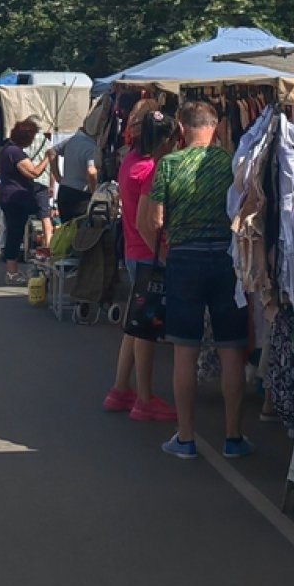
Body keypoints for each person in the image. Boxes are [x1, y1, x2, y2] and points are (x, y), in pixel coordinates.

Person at [139, 100, 250, 461]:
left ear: (183, 129)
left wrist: (173, 247)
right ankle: (234, 436)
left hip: (185, 259)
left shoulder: (169, 165)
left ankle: (185, 437)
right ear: (216, 127)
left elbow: (154, 221)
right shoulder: (233, 163)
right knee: (232, 349)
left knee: (185, 351)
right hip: (226, 261)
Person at [106, 105, 180, 423]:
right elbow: (148, 220)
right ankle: (145, 398)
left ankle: (122, 388)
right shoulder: (151, 170)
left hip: (135, 251)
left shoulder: (130, 161)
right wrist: (162, 256)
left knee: (135, 327)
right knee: (147, 330)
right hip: (147, 253)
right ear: (164, 141)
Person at [0, 120, 53, 285]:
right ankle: (11, 272)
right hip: (15, 199)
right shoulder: (15, 152)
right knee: (15, 234)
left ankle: (12, 269)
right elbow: (33, 172)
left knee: (15, 233)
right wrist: (47, 159)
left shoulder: (9, 149)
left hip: (12, 197)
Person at [53, 125, 100, 223]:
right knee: (81, 233)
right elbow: (92, 171)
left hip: (64, 190)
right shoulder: (92, 147)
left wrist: (58, 176)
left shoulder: (73, 140)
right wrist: (94, 193)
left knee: (66, 231)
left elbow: (51, 152)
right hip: (80, 195)